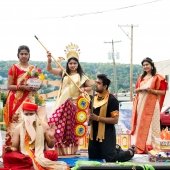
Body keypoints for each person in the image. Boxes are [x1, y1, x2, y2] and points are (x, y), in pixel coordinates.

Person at [47, 43, 94, 155]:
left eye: (74, 63)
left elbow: (93, 86)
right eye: (70, 63)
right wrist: (49, 60)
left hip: (74, 104)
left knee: (72, 128)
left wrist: (84, 89)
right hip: (62, 103)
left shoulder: (82, 76)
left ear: (78, 64)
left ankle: (72, 151)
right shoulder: (63, 72)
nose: (72, 65)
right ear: (68, 64)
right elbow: (49, 69)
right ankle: (60, 151)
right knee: (57, 125)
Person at [3, 101, 68, 170]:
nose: (28, 117)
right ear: (23, 114)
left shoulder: (43, 126)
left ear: (36, 114)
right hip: (24, 155)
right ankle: (32, 163)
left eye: (31, 114)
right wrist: (10, 148)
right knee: (7, 156)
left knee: (53, 154)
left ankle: (29, 164)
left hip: (40, 155)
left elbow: (50, 145)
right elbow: (15, 147)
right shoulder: (18, 128)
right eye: (26, 114)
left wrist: (51, 137)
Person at [88, 74, 135, 162]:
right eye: (96, 82)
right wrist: (89, 119)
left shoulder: (112, 100)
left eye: (98, 83)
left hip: (107, 133)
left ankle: (130, 151)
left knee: (110, 158)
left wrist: (97, 118)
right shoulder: (93, 99)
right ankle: (116, 148)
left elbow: (115, 120)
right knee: (94, 157)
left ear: (105, 86)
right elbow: (90, 119)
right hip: (94, 133)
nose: (96, 84)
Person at [3, 45, 41, 148]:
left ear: (29, 55)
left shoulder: (33, 69)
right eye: (22, 54)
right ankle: (13, 147)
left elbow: (36, 84)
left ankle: (28, 147)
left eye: (26, 54)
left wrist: (36, 87)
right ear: (18, 55)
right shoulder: (14, 68)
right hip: (15, 100)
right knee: (16, 121)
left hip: (29, 99)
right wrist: (23, 87)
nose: (24, 56)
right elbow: (9, 86)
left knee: (29, 122)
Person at [131, 57, 168, 154]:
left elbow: (163, 92)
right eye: (143, 65)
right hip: (141, 103)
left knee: (153, 125)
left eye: (147, 64)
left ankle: (154, 147)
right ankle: (141, 146)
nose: (145, 66)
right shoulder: (141, 77)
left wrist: (151, 90)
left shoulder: (158, 77)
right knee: (141, 125)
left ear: (151, 66)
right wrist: (139, 90)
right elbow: (136, 90)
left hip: (152, 104)